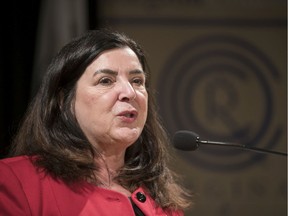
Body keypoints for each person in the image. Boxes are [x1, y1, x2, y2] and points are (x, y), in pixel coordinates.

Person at [0, 29, 191, 216]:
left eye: (137, 81)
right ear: (62, 100)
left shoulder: (164, 204)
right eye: (106, 81)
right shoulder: (15, 181)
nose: (130, 92)